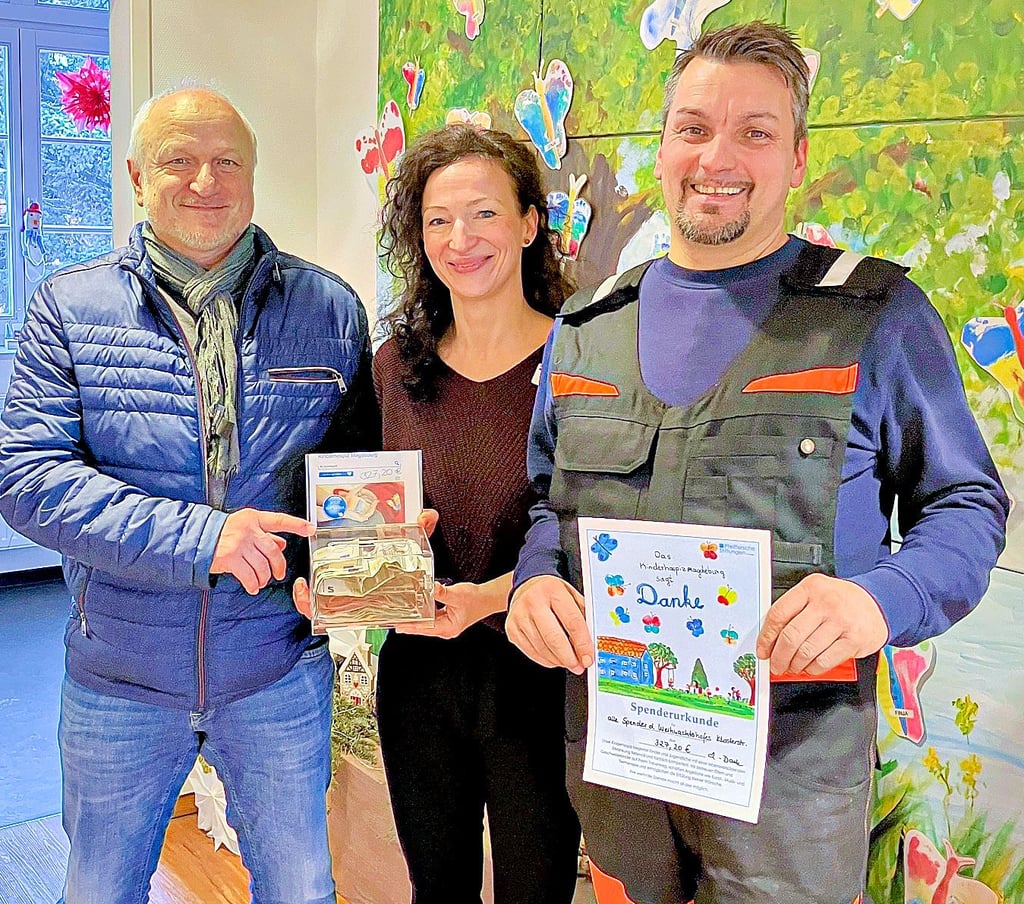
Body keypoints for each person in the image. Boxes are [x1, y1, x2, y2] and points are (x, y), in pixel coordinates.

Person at [506, 22, 1009, 904]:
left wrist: (876, 600)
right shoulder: (586, 328)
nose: (718, 156)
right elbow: (549, 505)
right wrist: (534, 583)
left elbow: (966, 505)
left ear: (799, 157)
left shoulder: (873, 313)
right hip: (621, 763)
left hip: (793, 785)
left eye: (756, 131)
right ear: (662, 146)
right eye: (694, 127)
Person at [0, 87, 378, 904]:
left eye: (227, 161)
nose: (205, 179)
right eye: (179, 159)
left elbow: (353, 474)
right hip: (119, 680)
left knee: (302, 887)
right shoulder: (69, 308)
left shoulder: (331, 310)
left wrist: (362, 559)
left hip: (278, 671)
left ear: (252, 176)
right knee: (100, 890)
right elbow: (28, 478)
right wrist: (201, 538)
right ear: (138, 176)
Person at [301, 124, 581, 904]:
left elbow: (592, 529)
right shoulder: (395, 367)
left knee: (538, 889)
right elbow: (345, 500)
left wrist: (487, 600)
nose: (461, 239)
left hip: (539, 677)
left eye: (485, 214)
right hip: (419, 679)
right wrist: (325, 577)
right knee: (438, 890)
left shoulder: (584, 365)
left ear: (529, 224)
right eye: (437, 220)